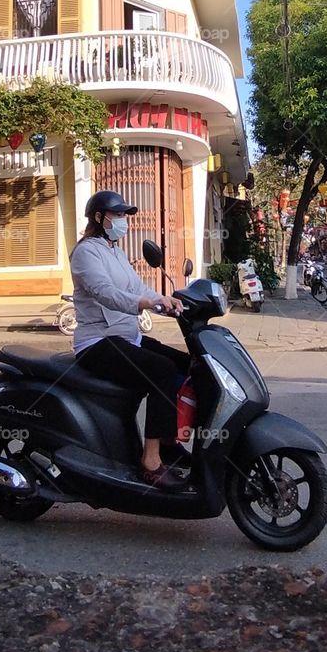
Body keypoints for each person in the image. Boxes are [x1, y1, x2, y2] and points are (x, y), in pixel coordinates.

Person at [70, 189, 189, 488]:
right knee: (160, 370)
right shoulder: (85, 252)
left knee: (187, 365)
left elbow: (138, 287)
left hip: (126, 338)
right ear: (99, 218)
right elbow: (105, 292)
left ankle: (168, 442)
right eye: (118, 215)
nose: (123, 220)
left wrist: (165, 300)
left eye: (124, 215)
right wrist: (144, 304)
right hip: (97, 342)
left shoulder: (115, 251)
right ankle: (151, 461)